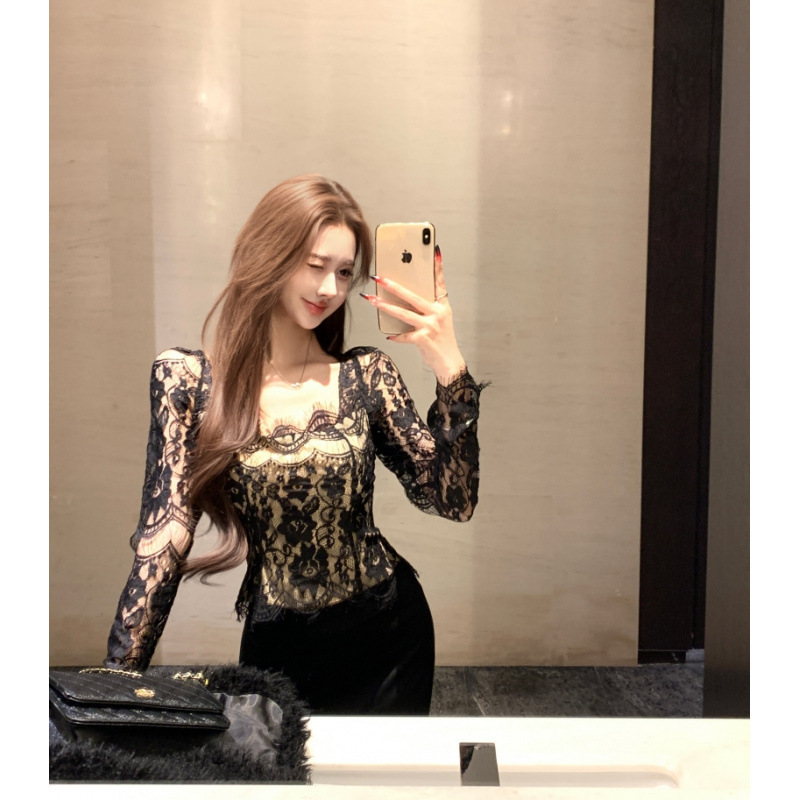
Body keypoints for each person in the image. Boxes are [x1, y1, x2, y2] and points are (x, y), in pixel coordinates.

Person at [104, 174, 485, 715]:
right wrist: (112, 693)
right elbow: (163, 539)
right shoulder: (189, 383)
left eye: (345, 272)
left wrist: (450, 369)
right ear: (271, 254)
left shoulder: (365, 376)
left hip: (388, 637)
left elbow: (453, 501)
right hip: (276, 651)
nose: (330, 288)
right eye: (315, 264)